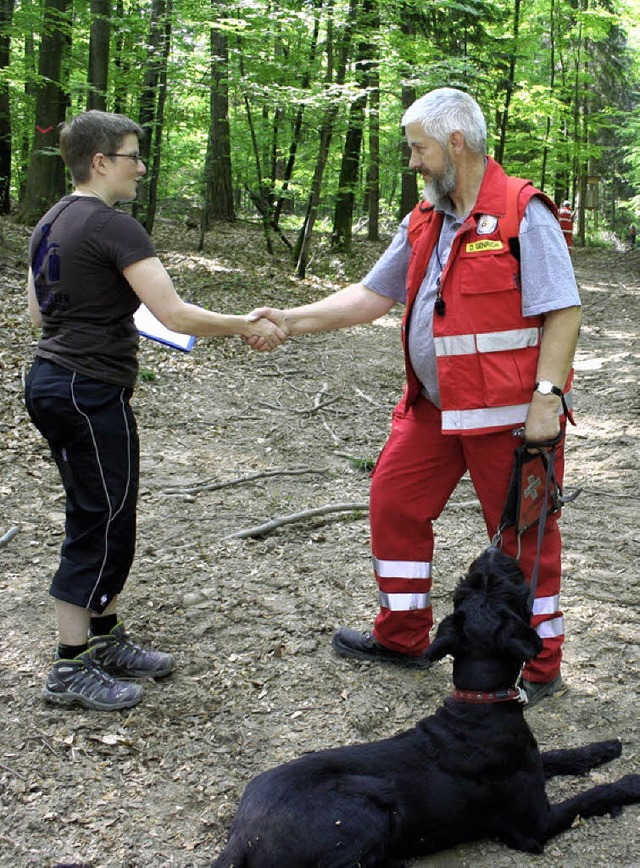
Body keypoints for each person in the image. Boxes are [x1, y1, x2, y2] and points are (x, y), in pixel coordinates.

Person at [247, 88, 582, 707]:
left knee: (524, 542)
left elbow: (563, 312)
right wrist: (290, 319)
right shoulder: (424, 219)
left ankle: (539, 666)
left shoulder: (522, 212)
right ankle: (402, 637)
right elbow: (372, 296)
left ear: (456, 143)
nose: (412, 162)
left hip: (509, 418)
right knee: (394, 503)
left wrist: (546, 397)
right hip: (430, 408)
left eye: (419, 148)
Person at [25, 110, 286, 711]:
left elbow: (41, 316)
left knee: (108, 509)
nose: (140, 166)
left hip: (55, 381)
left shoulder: (51, 221)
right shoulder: (115, 225)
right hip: (85, 390)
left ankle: (105, 635)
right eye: (131, 155)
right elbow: (174, 314)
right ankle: (69, 666)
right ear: (100, 163)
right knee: (99, 517)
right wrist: (247, 324)